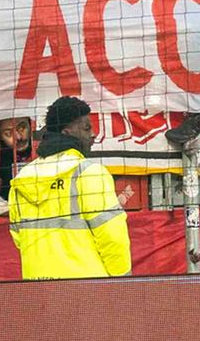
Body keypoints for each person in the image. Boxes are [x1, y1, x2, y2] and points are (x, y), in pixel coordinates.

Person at [8, 95, 129, 281]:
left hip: (36, 289)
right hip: (87, 289)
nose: (93, 134)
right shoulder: (89, 172)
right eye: (87, 127)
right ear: (66, 133)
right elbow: (112, 236)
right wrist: (123, 281)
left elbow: (18, 238)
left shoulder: (22, 179)